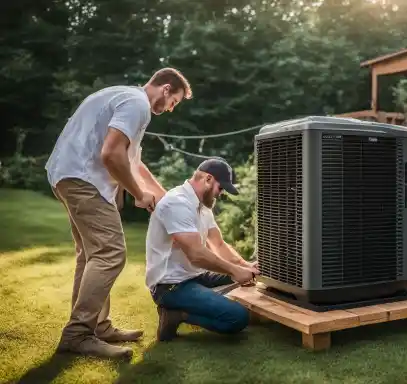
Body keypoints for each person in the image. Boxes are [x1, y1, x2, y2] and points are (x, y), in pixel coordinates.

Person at [45, 67, 192, 359]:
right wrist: (138, 194)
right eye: (173, 101)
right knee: (110, 253)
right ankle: (78, 334)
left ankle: (98, 326)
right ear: (165, 89)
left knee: (90, 255)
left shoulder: (121, 95)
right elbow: (111, 155)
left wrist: (163, 202)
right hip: (84, 179)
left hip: (67, 175)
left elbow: (133, 164)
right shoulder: (138, 104)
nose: (171, 108)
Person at [145, 158, 259, 342]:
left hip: (195, 276)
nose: (220, 194)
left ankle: (206, 299)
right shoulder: (177, 203)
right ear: (208, 179)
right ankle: (176, 315)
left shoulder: (202, 207)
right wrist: (235, 271)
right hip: (171, 286)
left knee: (248, 278)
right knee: (238, 317)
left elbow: (219, 244)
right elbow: (196, 255)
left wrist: (246, 267)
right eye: (220, 188)